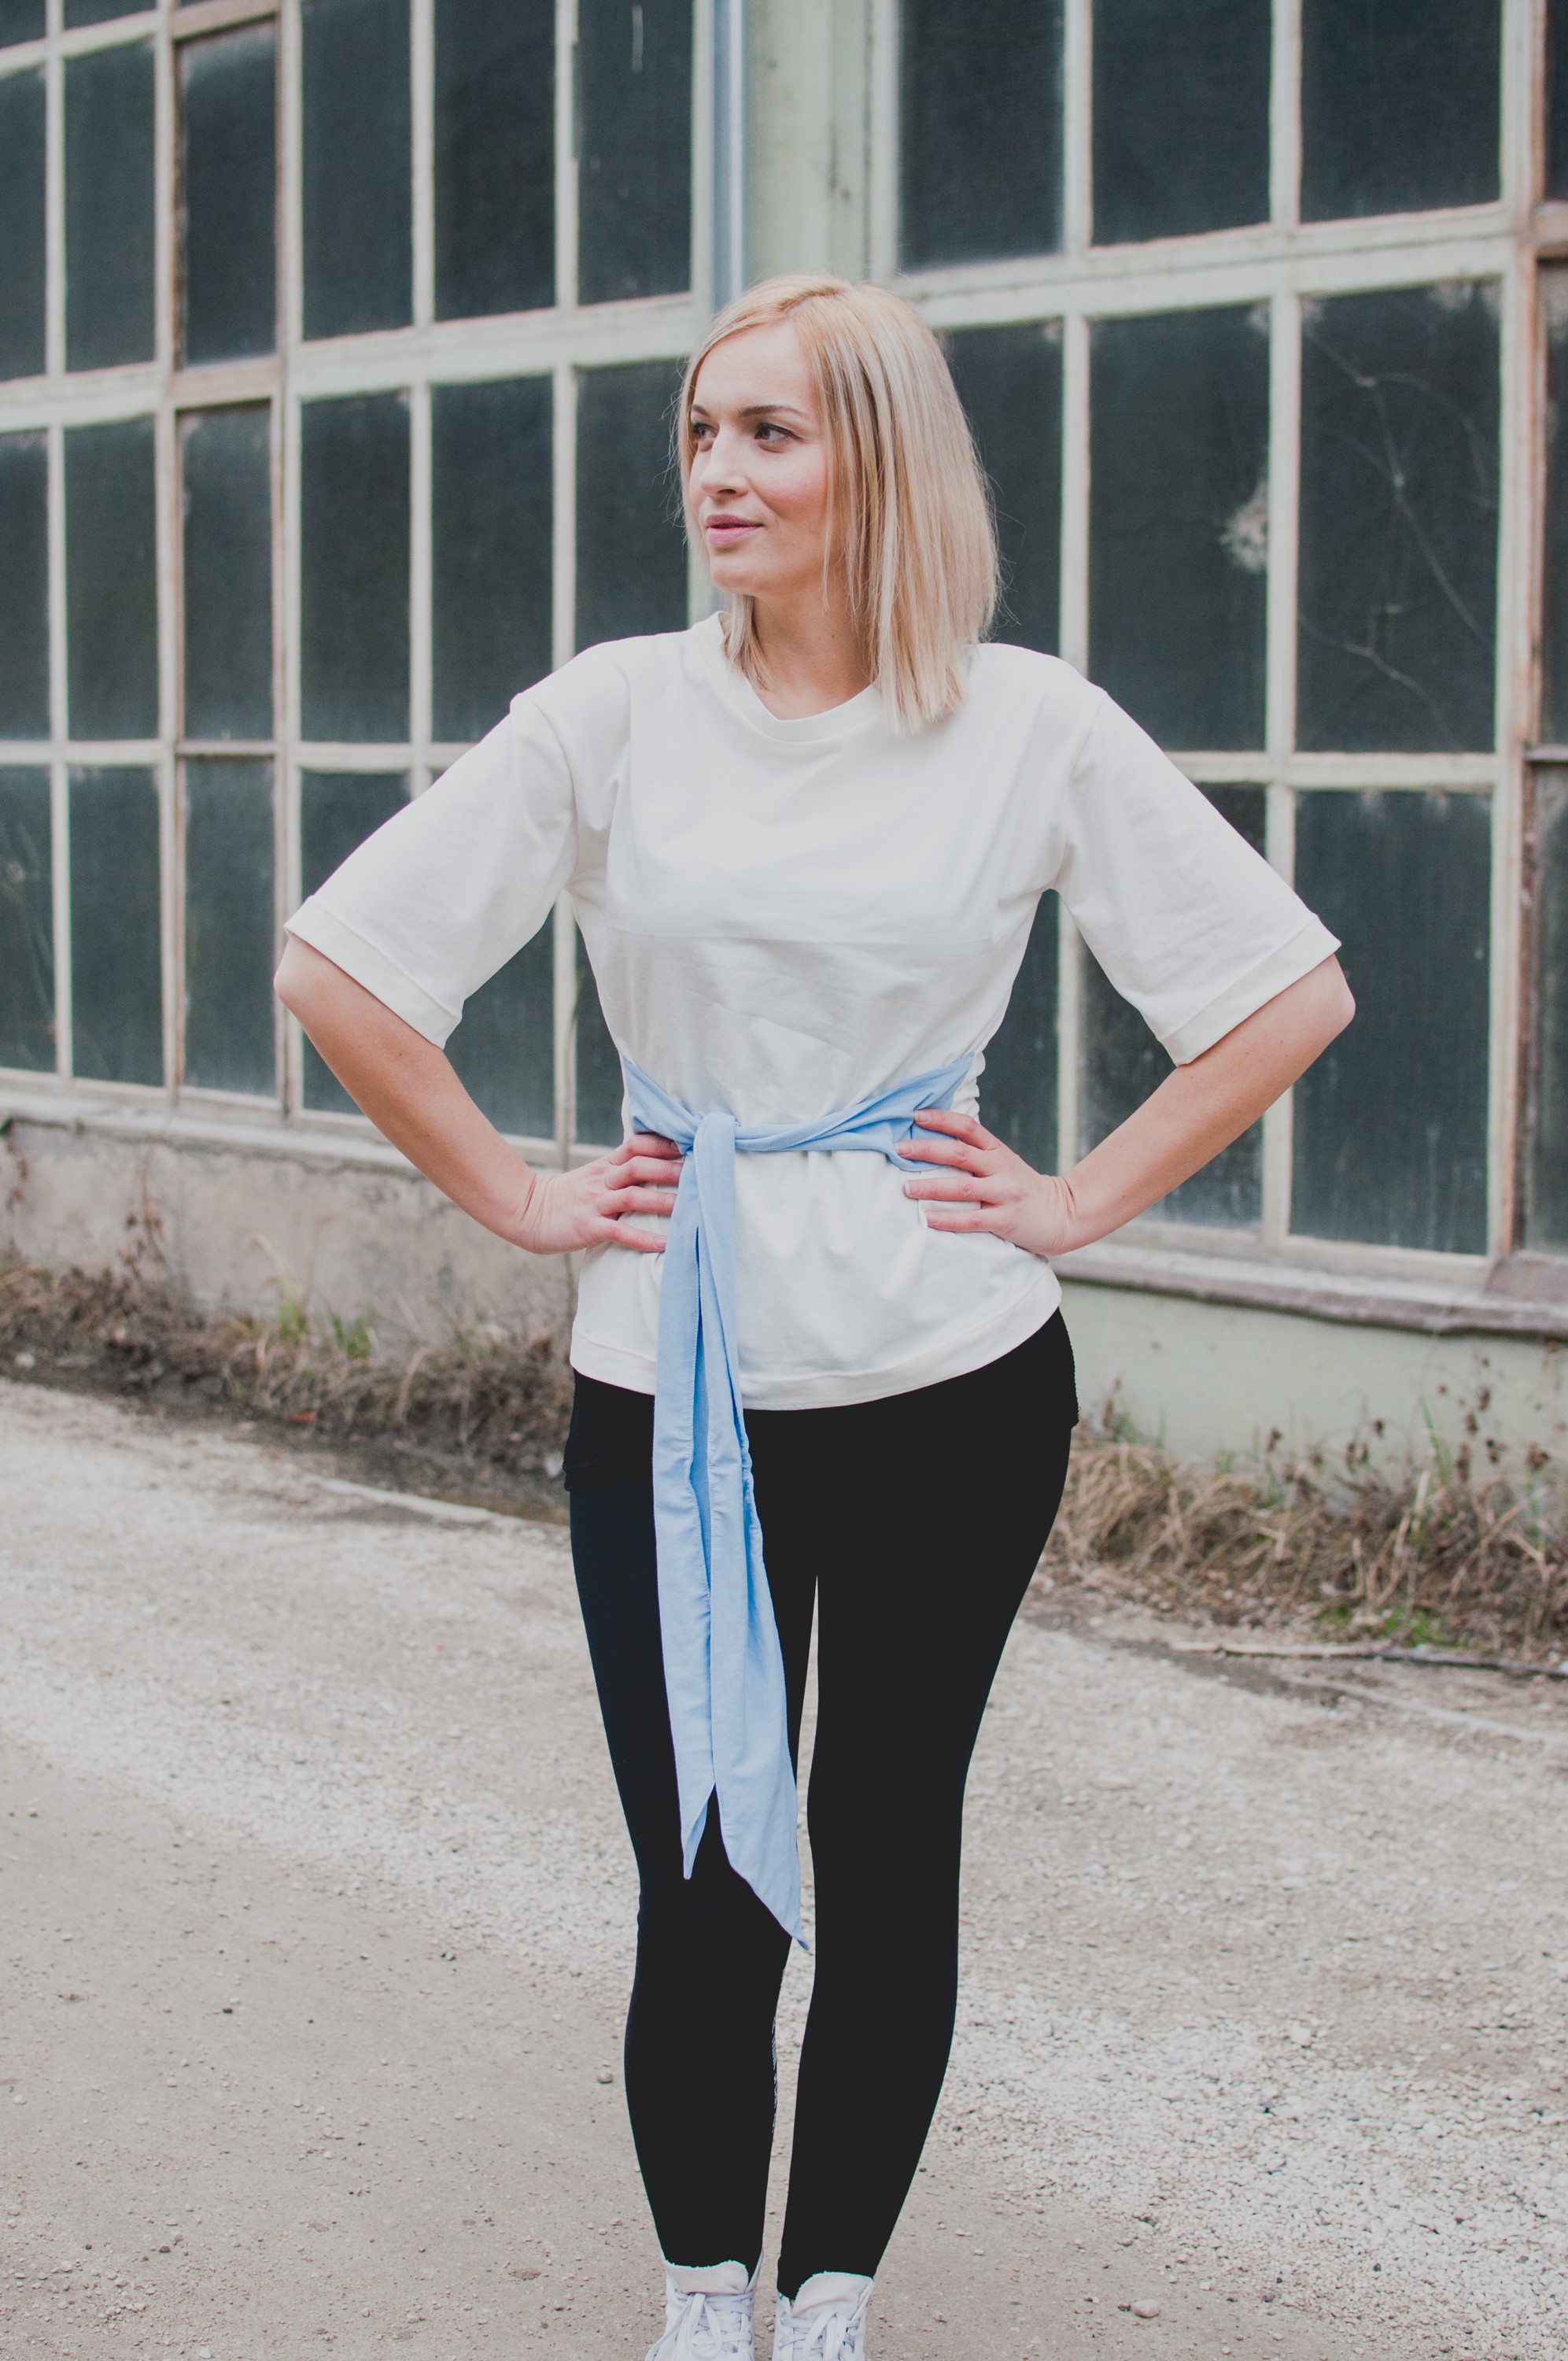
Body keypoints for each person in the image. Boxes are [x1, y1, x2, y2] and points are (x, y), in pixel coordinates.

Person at [275, 273, 1352, 2361]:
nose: (717, 472)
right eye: (700, 432)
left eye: (768, 432)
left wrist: (1072, 1202)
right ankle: (707, 2298)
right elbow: (343, 967)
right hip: (668, 1388)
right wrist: (516, 1191)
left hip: (956, 1385)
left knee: (881, 1849)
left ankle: (833, 2289)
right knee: (704, 1874)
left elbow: (1281, 993)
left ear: (882, 461)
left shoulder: (1024, 723)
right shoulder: (613, 713)